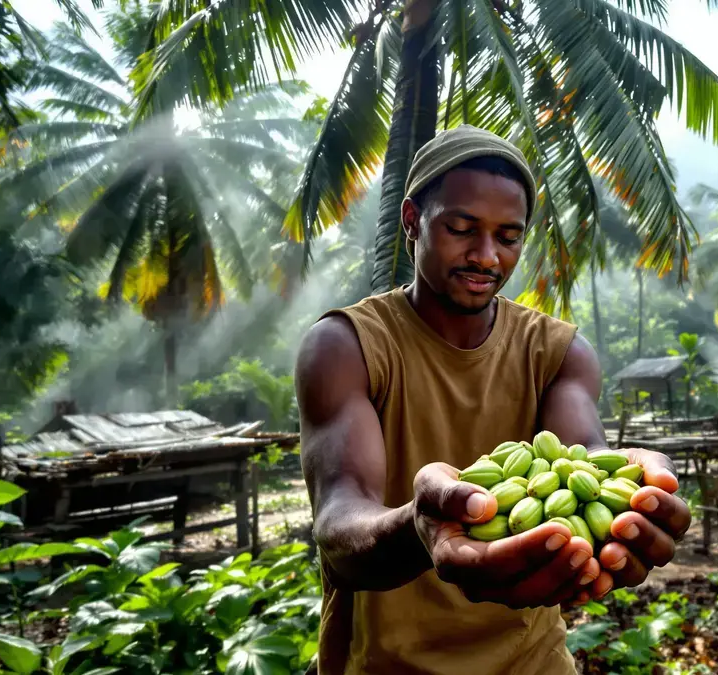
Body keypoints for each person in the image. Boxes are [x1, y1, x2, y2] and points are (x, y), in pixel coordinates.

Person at [295, 125, 692, 675]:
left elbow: (581, 461)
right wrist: (419, 526)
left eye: (508, 237)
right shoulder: (346, 347)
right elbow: (340, 525)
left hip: (533, 663)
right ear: (412, 221)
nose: (486, 257)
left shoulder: (558, 352)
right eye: (461, 229)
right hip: (384, 663)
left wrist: (630, 496)